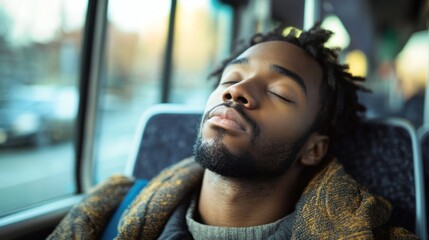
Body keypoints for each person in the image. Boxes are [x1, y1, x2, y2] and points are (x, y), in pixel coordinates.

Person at [48, 24, 418, 239]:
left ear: (313, 149)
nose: (235, 92)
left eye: (279, 92)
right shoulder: (111, 209)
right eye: (232, 78)